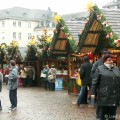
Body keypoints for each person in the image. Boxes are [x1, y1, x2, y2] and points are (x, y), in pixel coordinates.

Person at [91, 54, 120, 120]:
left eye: (112, 60)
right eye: (109, 60)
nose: (111, 61)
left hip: (115, 95)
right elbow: (94, 82)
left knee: (112, 115)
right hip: (104, 96)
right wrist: (93, 93)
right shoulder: (100, 69)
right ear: (105, 61)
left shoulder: (116, 69)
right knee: (103, 114)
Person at [91, 49, 110, 119]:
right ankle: (98, 116)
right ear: (102, 55)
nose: (106, 55)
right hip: (100, 86)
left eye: (107, 54)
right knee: (100, 102)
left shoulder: (109, 63)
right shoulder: (97, 63)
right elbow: (92, 73)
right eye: (105, 54)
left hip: (108, 86)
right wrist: (97, 80)